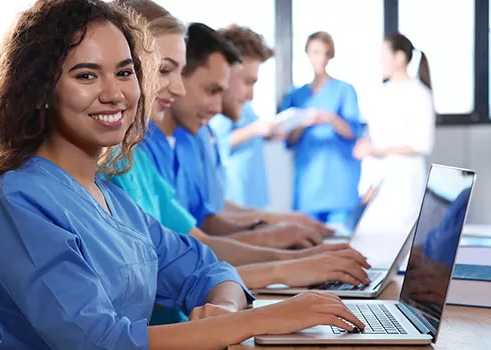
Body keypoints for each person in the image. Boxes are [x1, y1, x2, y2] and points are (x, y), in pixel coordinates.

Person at [0, 1, 364, 348]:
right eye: (86, 75)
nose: (114, 92)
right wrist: (264, 320)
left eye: (125, 72)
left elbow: (208, 270)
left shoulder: (108, 197)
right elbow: (98, 343)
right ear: (40, 90)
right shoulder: (20, 201)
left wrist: (226, 309)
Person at [110, 0, 370, 325]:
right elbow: (183, 263)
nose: (174, 88)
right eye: (164, 71)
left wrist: (292, 258)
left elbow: (192, 254)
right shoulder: (131, 159)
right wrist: (288, 263)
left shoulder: (136, 160)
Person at [143, 22, 332, 248]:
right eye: (247, 82)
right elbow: (188, 247)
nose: (250, 95)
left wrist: (275, 228)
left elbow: (204, 219)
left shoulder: (186, 136)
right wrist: (272, 239)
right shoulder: (158, 144)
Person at [352, 32, 435, 235]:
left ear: (399, 58)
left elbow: (422, 144)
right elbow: (374, 134)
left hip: (404, 182)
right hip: (376, 183)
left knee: (397, 245)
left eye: (384, 55)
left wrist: (376, 149)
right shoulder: (380, 92)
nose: (380, 61)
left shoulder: (419, 94)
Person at [280, 31, 363, 225]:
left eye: (324, 53)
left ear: (330, 56)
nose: (319, 58)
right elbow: (288, 139)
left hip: (339, 181)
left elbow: (353, 132)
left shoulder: (344, 90)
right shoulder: (296, 95)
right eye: (315, 52)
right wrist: (304, 121)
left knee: (342, 241)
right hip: (308, 183)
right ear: (307, 54)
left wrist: (330, 118)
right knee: (306, 240)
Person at [208, 25, 279, 209]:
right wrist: (255, 130)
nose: (251, 95)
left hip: (250, 191)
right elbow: (221, 142)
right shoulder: (211, 119)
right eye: (248, 82)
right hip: (235, 188)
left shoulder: (242, 107)